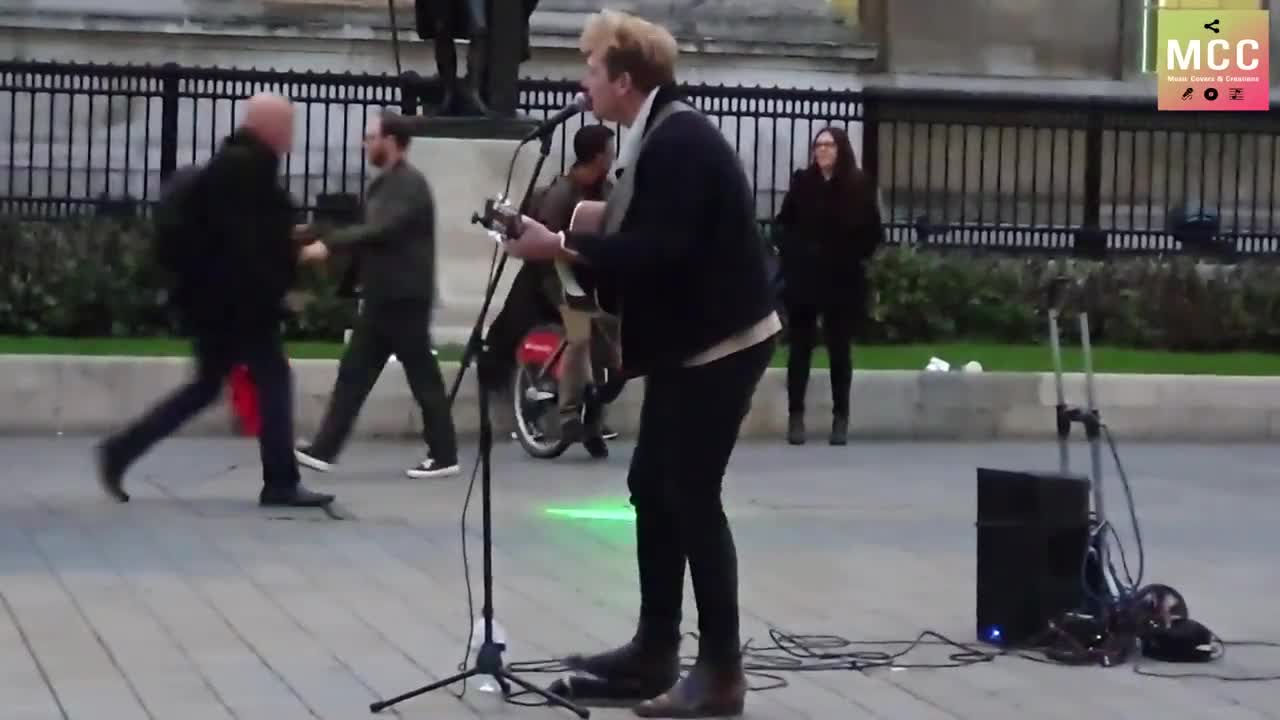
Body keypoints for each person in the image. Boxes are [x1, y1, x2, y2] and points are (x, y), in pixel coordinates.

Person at [501, 10, 780, 718]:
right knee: (651, 485)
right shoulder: (655, 131)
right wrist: (572, 223)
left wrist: (558, 243)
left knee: (690, 495)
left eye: (590, 67)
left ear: (624, 80)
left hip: (722, 344)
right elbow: (640, 221)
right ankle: (655, 648)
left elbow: (662, 250)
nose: (581, 79)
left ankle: (720, 673)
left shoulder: (677, 139)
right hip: (692, 345)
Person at [95, 93, 334, 509]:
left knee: (206, 388)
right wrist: (295, 255)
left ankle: (120, 450)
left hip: (217, 302)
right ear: (269, 128)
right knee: (272, 379)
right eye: (288, 125)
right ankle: (279, 482)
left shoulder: (237, 165)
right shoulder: (246, 170)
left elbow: (243, 234)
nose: (292, 134)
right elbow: (246, 244)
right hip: (236, 304)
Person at [293, 110, 460, 480]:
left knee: (420, 377)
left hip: (402, 298)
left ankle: (445, 455)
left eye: (371, 137)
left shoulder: (407, 185)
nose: (365, 143)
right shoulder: (390, 184)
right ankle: (325, 449)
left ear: (391, 141)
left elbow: (379, 230)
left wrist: (329, 245)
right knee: (355, 373)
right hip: (387, 297)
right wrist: (317, 234)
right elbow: (370, 230)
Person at [775, 126, 884, 446]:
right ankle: (796, 416)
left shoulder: (858, 186)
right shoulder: (803, 183)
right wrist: (795, 253)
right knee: (800, 349)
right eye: (818, 145)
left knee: (839, 350)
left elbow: (873, 233)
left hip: (841, 278)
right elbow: (784, 225)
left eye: (829, 145)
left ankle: (841, 417)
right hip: (805, 278)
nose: (822, 151)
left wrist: (851, 255)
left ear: (841, 150)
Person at [535, 123, 619, 449]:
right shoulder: (562, 193)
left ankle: (594, 420)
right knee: (580, 337)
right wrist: (570, 251)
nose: (613, 157)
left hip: (595, 278)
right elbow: (544, 240)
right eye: (610, 152)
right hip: (561, 273)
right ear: (598, 157)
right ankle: (569, 415)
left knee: (611, 353)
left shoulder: (608, 190)